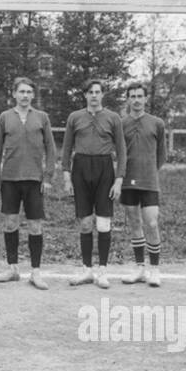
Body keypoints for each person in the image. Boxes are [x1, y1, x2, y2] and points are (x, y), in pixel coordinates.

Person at [0, 77, 57, 290]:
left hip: (34, 180)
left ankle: (35, 272)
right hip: (10, 179)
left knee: (35, 225)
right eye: (21, 91)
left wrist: (47, 178)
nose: (25, 95)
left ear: (33, 95)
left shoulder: (42, 117)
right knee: (10, 223)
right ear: (14, 94)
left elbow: (51, 148)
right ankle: (12, 268)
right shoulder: (5, 117)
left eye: (29, 92)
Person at [62, 79, 127, 289]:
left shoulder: (113, 118)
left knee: (103, 222)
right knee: (85, 222)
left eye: (98, 92)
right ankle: (87, 269)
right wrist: (66, 175)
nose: (94, 95)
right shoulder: (75, 117)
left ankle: (102, 271)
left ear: (102, 95)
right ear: (85, 95)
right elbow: (66, 148)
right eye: (90, 92)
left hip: (104, 168)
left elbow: (122, 150)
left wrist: (118, 180)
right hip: (80, 167)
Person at [119, 81, 166, 287]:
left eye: (140, 96)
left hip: (149, 181)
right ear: (128, 99)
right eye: (133, 96)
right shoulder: (121, 124)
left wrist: (150, 171)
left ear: (145, 99)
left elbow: (161, 155)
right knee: (135, 223)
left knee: (152, 223)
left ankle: (154, 269)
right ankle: (140, 268)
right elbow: (119, 152)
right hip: (128, 181)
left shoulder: (157, 123)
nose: (136, 100)